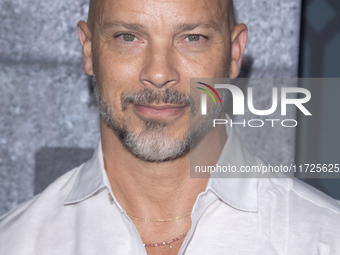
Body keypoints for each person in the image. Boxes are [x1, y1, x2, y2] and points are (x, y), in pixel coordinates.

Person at [1, 0, 340, 254]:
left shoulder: (325, 238)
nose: (160, 73)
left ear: (235, 54)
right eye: (128, 36)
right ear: (89, 50)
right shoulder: (16, 242)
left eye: (192, 38)